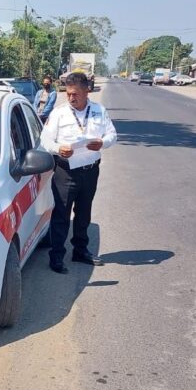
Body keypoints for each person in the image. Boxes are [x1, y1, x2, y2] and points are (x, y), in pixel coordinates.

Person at [41, 72, 117, 274]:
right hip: (65, 172)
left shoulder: (99, 110)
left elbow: (112, 134)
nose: (71, 98)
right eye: (68, 94)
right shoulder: (59, 113)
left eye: (75, 94)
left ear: (87, 91)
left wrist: (103, 142)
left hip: (90, 171)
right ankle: (56, 256)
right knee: (61, 215)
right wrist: (58, 149)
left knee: (84, 213)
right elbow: (45, 140)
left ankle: (80, 251)